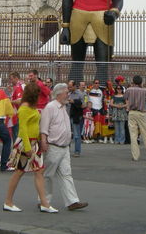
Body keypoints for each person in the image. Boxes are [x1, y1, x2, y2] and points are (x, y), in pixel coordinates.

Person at [4, 83, 57, 213]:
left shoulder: (30, 106)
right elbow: (23, 130)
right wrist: (28, 148)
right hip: (25, 143)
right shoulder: (24, 109)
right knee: (19, 172)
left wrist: (40, 141)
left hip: (34, 143)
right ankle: (8, 202)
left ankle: (44, 203)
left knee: (38, 171)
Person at [40, 83, 88, 211]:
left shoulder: (63, 107)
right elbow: (44, 127)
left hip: (64, 147)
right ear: (59, 94)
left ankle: (72, 201)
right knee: (48, 175)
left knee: (66, 174)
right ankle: (44, 200)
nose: (68, 94)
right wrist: (43, 141)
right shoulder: (50, 107)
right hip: (53, 146)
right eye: (66, 92)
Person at [124, 75, 146, 162]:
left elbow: (125, 99)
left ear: (133, 82)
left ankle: (135, 156)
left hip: (132, 113)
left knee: (133, 135)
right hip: (141, 113)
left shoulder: (128, 90)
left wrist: (128, 107)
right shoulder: (145, 91)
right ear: (141, 82)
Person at [68, 80, 84, 157]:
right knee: (67, 134)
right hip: (68, 115)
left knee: (77, 134)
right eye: (69, 86)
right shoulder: (68, 94)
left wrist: (74, 102)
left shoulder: (80, 94)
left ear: (74, 86)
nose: (69, 88)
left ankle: (77, 151)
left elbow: (83, 105)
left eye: (70, 86)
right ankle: (66, 151)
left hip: (76, 116)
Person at [8, 72, 25, 143]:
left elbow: (20, 100)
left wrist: (9, 102)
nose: (11, 81)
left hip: (19, 114)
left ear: (16, 78)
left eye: (12, 79)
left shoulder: (19, 86)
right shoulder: (19, 86)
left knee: (17, 135)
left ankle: (16, 151)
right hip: (19, 113)